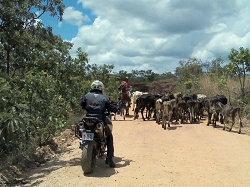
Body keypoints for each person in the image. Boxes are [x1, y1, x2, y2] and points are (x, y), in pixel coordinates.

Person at [80, 80, 117, 168]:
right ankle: (109, 159)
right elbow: (113, 108)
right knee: (109, 138)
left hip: (87, 120)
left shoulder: (86, 96)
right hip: (100, 120)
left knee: (82, 129)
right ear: (101, 88)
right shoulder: (104, 97)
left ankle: (83, 143)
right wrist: (115, 107)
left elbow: (82, 105)